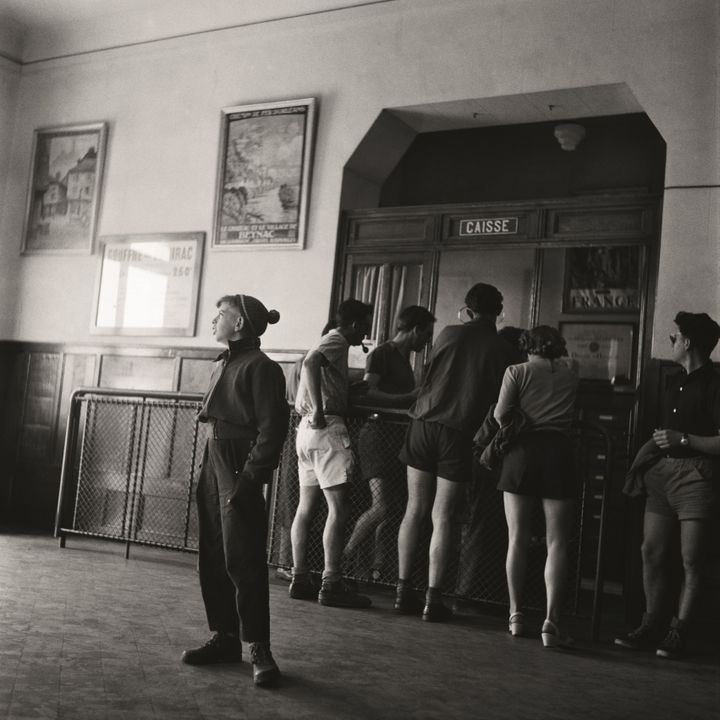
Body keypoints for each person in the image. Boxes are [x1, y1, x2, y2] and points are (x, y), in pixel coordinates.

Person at [182, 294, 289, 687]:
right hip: (213, 459)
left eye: (221, 315)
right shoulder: (224, 362)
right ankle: (225, 637)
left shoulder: (262, 368)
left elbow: (272, 430)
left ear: (240, 322)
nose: (214, 320)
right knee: (213, 551)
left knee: (243, 557)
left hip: (238, 465)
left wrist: (250, 478)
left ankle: (259, 647)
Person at [395, 283, 518, 621]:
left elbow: (428, 377)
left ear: (468, 309)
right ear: (498, 310)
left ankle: (403, 591)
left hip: (421, 424)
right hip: (459, 432)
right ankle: (433, 601)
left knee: (414, 509)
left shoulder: (448, 333)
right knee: (444, 517)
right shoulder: (503, 349)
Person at [615, 311, 720, 659]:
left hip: (697, 475)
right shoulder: (673, 381)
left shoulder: (716, 384)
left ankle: (679, 631)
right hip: (662, 474)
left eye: (674, 338)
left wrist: (683, 439)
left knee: (692, 559)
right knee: (652, 551)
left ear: (688, 342)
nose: (671, 342)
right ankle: (651, 624)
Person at [492, 326, 578, 647]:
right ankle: (551, 621)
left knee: (517, 538)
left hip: (522, 454)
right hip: (559, 454)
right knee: (557, 542)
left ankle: (515, 615)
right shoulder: (571, 375)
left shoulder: (517, 371)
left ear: (527, 346)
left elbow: (501, 415)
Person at [289, 298, 374, 608]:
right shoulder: (337, 339)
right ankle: (332, 582)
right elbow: (312, 363)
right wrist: (322, 411)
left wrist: (350, 390)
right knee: (339, 509)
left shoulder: (332, 342)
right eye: (364, 327)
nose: (364, 334)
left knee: (305, 507)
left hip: (305, 433)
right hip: (325, 430)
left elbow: (319, 373)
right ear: (353, 324)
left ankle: (300, 578)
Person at [343, 306, 436, 580]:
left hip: (394, 438)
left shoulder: (404, 357)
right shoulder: (383, 353)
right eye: (426, 334)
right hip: (377, 437)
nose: (427, 341)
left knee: (392, 508)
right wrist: (409, 397)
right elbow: (368, 392)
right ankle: (341, 559)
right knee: (381, 505)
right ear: (415, 330)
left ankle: (378, 569)